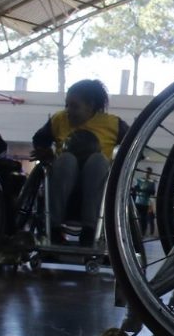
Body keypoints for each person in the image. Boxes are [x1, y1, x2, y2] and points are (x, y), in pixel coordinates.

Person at [29, 79, 126, 246]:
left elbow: (134, 148)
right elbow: (39, 139)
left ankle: (90, 230)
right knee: (66, 159)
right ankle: (54, 228)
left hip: (97, 186)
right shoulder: (59, 120)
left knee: (97, 161)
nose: (68, 111)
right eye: (67, 105)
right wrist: (45, 152)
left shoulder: (113, 124)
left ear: (90, 105)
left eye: (74, 106)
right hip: (62, 180)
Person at [131, 166, 156, 238]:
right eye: (146, 172)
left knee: (144, 220)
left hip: (145, 203)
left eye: (148, 172)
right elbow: (135, 189)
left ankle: (142, 233)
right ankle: (135, 232)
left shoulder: (152, 183)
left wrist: (146, 191)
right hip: (138, 202)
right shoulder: (139, 180)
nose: (147, 173)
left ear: (150, 173)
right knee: (135, 218)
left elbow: (153, 192)